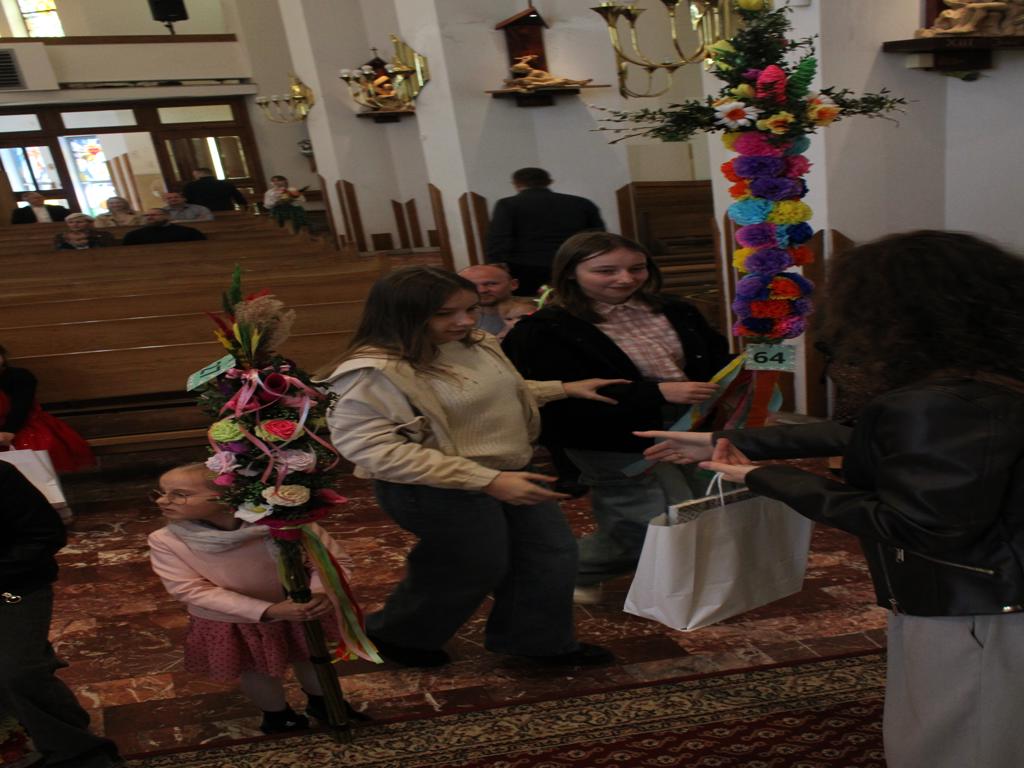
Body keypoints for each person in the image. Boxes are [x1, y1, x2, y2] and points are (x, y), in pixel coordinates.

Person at [638, 231, 1024, 768]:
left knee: (959, 741)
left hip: (974, 598)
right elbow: (875, 437)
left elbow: (921, 527)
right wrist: (728, 440)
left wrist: (765, 478)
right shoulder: (986, 380)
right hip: (988, 587)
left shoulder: (942, 400)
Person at [322, 266, 624, 669]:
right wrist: (488, 480)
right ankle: (398, 635)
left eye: (471, 309)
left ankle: (537, 643)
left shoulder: (476, 342)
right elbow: (373, 449)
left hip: (507, 471)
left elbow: (489, 394)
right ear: (403, 315)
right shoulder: (372, 372)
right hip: (433, 485)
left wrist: (563, 389)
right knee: (472, 563)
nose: (465, 321)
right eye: (445, 314)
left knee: (550, 553)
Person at [502, 232, 732, 604]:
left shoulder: (675, 309)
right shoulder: (545, 327)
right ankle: (565, 571)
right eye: (605, 271)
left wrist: (745, 368)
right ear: (571, 272)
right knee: (645, 521)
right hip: (608, 433)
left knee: (692, 507)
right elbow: (560, 394)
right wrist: (656, 392)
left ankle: (681, 582)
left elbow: (712, 356)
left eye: (637, 268)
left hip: (689, 421)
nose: (625, 279)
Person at [148, 463, 357, 734]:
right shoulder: (166, 540)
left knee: (311, 657)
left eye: (179, 494)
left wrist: (319, 592)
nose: (162, 501)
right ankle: (277, 716)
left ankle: (324, 702)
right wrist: (268, 610)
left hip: (300, 610)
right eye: (162, 492)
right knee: (258, 670)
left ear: (227, 498)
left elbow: (331, 560)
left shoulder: (287, 521)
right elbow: (189, 589)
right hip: (238, 620)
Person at [0, 462, 124, 768]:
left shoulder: (2, 475)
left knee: (18, 671)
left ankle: (78, 753)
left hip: (13, 584)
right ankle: (17, 741)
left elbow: (44, 535)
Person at [484, 167, 605, 295]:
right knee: (574, 298)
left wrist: (495, 262)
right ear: (549, 182)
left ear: (516, 183)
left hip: (525, 266)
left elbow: (499, 236)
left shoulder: (508, 204)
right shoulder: (582, 203)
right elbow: (597, 236)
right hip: (572, 262)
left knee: (531, 302)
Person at [0, 344, 94, 473]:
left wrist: (8, 431)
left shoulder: (19, 376)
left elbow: (21, 408)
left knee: (34, 447)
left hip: (22, 424)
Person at [458, 264, 520, 335]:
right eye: (471, 286)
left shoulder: (530, 312)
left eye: (491, 284)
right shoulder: (453, 318)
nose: (481, 290)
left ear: (513, 284)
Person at [121, 209, 207, 245]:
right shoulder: (133, 235)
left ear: (168, 216)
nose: (149, 217)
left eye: (154, 215)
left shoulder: (188, 232)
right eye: (146, 215)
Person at [182, 167, 247, 211]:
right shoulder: (226, 184)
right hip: (226, 211)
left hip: (202, 213)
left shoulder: (190, 185)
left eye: (195, 175)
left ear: (199, 174)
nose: (194, 177)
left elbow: (186, 201)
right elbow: (239, 199)